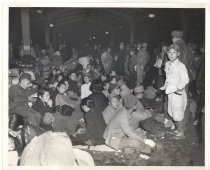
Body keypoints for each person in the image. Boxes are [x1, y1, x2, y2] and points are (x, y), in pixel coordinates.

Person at [160, 43, 189, 139]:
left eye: (174, 52)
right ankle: (178, 129)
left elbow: (185, 79)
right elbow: (168, 78)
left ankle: (181, 133)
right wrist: (165, 86)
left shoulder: (181, 66)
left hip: (177, 93)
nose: (171, 54)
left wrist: (178, 88)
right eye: (169, 52)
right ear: (167, 53)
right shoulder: (168, 64)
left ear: (178, 54)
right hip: (170, 92)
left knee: (177, 112)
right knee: (171, 111)